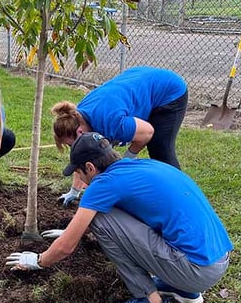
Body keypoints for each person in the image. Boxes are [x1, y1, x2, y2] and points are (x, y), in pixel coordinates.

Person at [7, 132, 232, 303]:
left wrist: (38, 260)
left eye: (79, 173)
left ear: (90, 168)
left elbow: (67, 247)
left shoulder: (103, 183)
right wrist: (73, 230)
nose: (82, 182)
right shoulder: (141, 167)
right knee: (106, 215)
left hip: (195, 270)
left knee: (100, 218)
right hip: (217, 260)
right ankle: (182, 290)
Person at [51, 66, 188, 206]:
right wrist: (74, 191)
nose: (73, 148)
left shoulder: (111, 123)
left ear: (80, 132)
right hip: (139, 81)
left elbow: (147, 132)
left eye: (70, 145)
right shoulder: (77, 116)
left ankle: (182, 198)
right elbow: (82, 155)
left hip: (168, 91)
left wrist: (129, 156)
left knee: (160, 150)